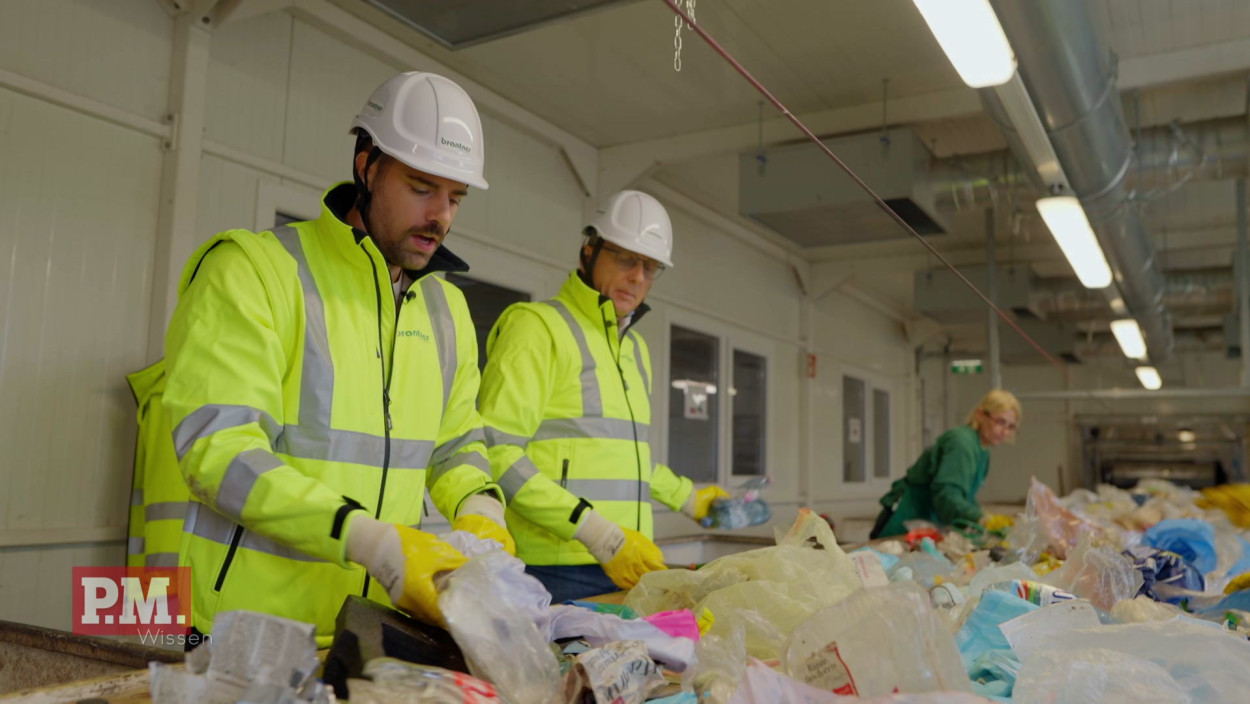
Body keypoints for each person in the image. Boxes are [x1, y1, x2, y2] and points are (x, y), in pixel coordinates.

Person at [163, 72, 513, 646]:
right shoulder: (255, 271)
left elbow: (456, 447)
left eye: (455, 197)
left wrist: (482, 510)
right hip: (247, 633)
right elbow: (217, 450)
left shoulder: (447, 312)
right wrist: (368, 539)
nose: (442, 217)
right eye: (423, 187)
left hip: (372, 633)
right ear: (367, 164)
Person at [478, 190, 729, 602]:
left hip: (628, 564)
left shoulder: (634, 350)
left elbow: (623, 456)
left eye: (650, 268)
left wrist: (690, 499)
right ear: (588, 252)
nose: (638, 278)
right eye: (626, 259)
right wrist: (600, 535)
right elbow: (496, 453)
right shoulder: (537, 328)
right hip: (555, 570)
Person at [870, 389, 1021, 539]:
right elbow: (947, 495)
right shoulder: (962, 443)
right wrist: (980, 518)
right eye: (1000, 422)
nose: (1005, 432)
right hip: (906, 516)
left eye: (1010, 426)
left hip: (925, 520)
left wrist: (983, 515)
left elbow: (964, 496)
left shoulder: (982, 450)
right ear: (980, 415)